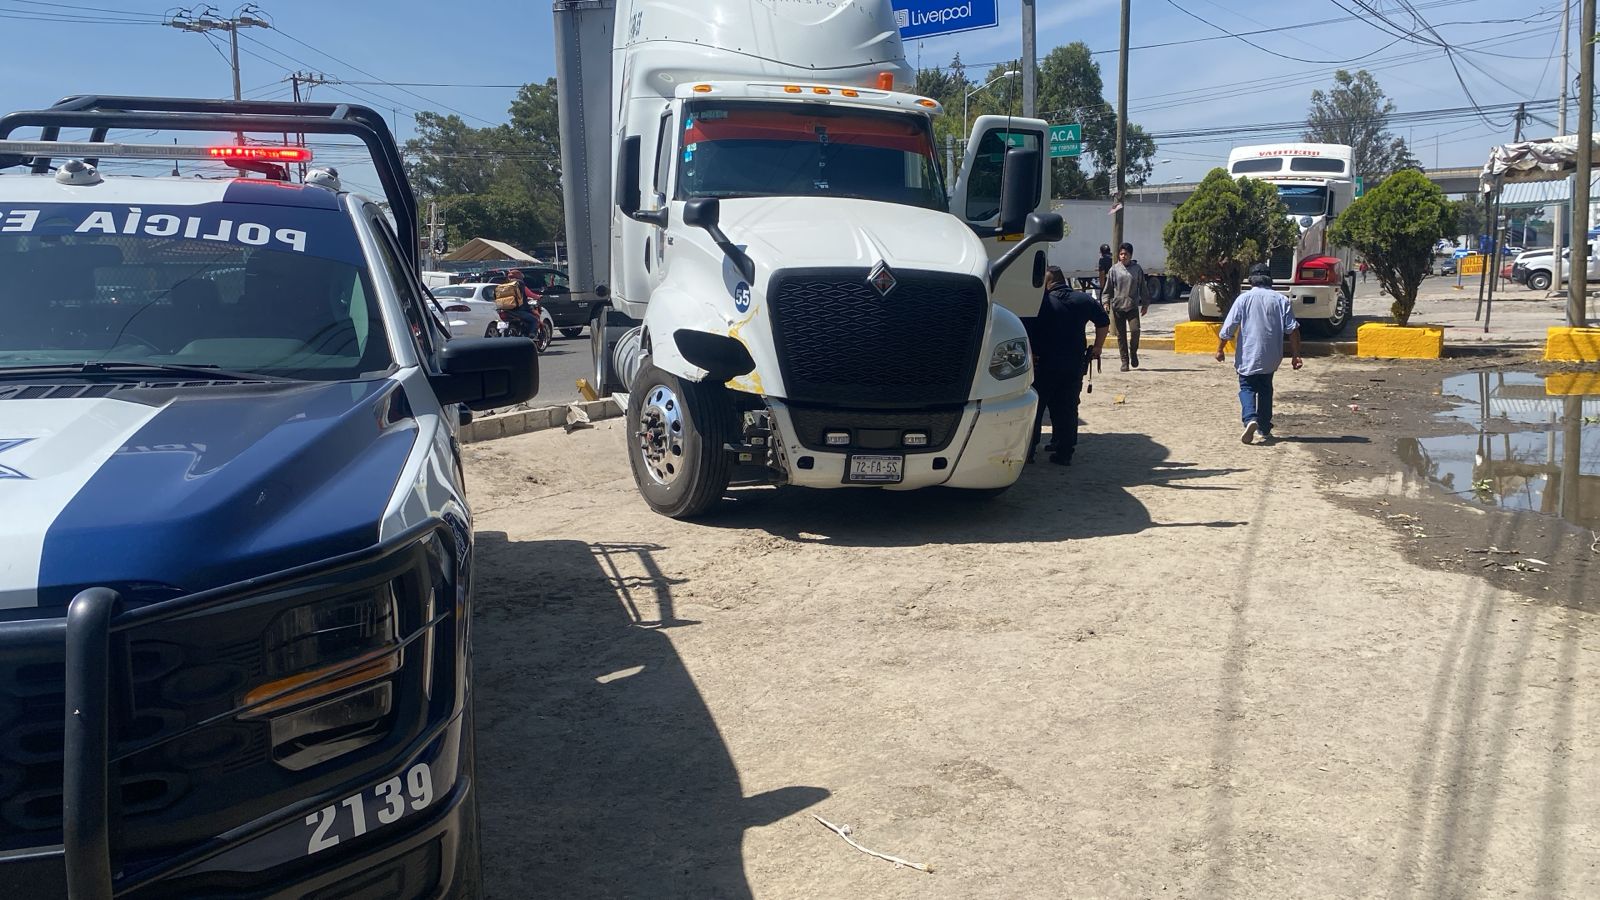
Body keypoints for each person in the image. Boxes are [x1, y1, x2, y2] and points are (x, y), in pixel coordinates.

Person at [1026, 266, 1109, 466]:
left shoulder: (1040, 302)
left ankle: (1029, 453)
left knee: (1036, 409)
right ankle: (1064, 452)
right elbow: (1103, 322)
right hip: (1073, 365)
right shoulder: (1083, 300)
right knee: (1068, 408)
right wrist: (1097, 347)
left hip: (1043, 366)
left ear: (1048, 282)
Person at [1216, 262, 1303, 444]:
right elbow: (1293, 330)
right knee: (1265, 389)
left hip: (1248, 355)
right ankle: (1264, 427)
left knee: (1247, 388)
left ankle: (1250, 418)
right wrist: (1296, 355)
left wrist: (1220, 348)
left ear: (1251, 279)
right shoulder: (1281, 300)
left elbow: (1229, 327)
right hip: (1271, 356)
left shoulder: (1243, 299)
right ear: (1269, 278)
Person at [1103, 242, 1150, 371]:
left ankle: (1133, 352)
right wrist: (1106, 302)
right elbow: (1108, 289)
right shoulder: (1114, 270)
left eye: (1126, 254)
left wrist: (1145, 304)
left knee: (1135, 331)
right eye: (1121, 254)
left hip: (1132, 306)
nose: (1123, 256)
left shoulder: (1137, 269)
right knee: (1121, 335)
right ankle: (1124, 361)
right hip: (1118, 307)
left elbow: (1143, 288)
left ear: (1131, 255)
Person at [501, 268, 541, 338]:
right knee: (534, 320)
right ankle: (531, 334)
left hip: (506, 310)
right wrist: (538, 297)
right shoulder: (520, 284)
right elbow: (531, 295)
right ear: (519, 276)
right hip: (519, 310)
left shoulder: (505, 285)